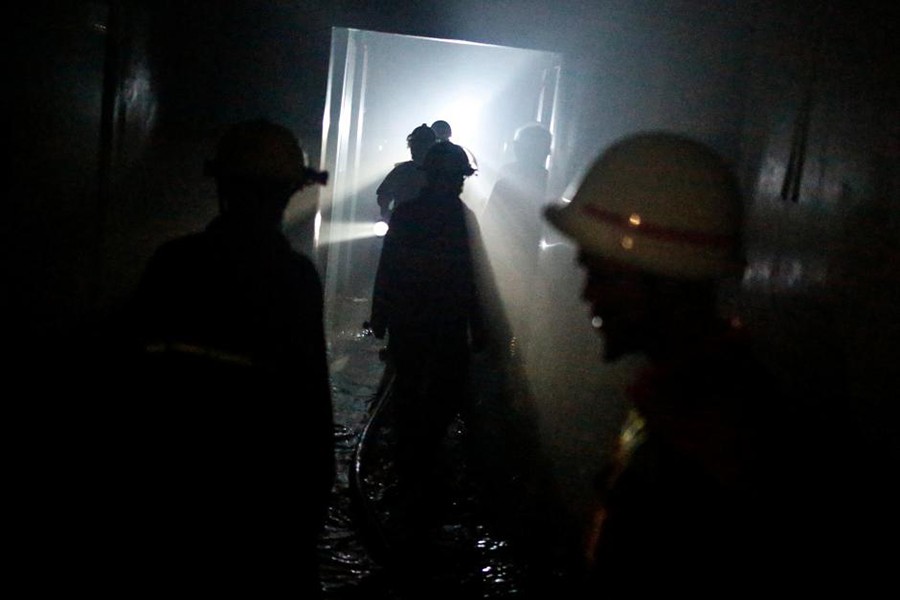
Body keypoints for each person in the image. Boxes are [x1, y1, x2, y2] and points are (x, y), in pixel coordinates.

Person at [543, 132, 848, 593]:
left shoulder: (716, 439)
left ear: (668, 282)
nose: (587, 294)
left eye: (602, 274)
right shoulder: (691, 398)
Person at [126, 119, 334, 596]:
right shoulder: (294, 280)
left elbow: (128, 387)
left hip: (172, 503)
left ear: (222, 186)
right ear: (288, 194)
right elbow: (309, 412)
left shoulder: (173, 264)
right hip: (258, 510)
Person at [369, 140, 485, 517]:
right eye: (456, 179)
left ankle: (413, 461)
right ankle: (422, 462)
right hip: (441, 321)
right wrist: (478, 326)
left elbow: (389, 268)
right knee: (435, 392)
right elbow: (474, 278)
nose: (456, 185)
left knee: (418, 388)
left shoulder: (409, 215)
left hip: (417, 319)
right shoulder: (461, 219)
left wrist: (382, 313)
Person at [481, 123, 552, 361]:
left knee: (502, 319)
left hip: (508, 262)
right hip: (528, 263)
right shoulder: (548, 182)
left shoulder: (508, 182)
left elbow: (490, 223)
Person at [376, 123, 436, 221]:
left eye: (420, 144)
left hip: (404, 225)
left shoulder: (402, 170)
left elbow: (383, 195)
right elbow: (383, 195)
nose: (417, 148)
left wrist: (387, 213)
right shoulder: (440, 172)